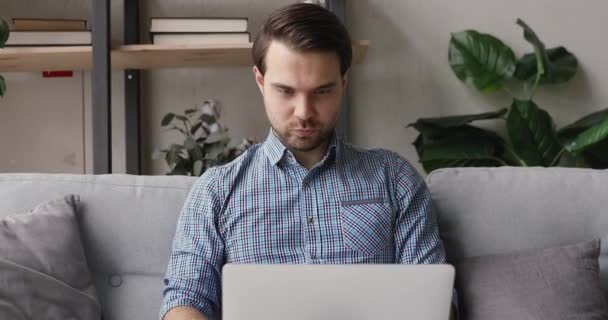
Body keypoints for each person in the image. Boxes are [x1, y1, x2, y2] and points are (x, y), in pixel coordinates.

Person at [160, 3, 456, 320]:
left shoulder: (394, 179)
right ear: (260, 80)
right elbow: (184, 299)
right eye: (285, 91)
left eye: (322, 91)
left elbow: (435, 300)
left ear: (344, 81)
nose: (304, 111)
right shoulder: (215, 192)